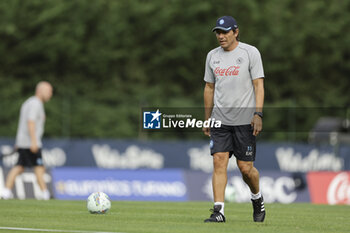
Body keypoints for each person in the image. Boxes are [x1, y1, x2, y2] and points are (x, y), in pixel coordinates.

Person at [202, 16, 265, 222]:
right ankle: (219, 211)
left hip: (245, 121)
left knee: (245, 169)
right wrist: (207, 118)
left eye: (225, 32)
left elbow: (258, 85)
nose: (221, 36)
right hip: (220, 120)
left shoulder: (250, 52)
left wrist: (258, 114)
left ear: (235, 32)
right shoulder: (212, 56)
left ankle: (257, 198)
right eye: (218, 33)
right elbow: (209, 87)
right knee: (219, 162)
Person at [1, 81, 53, 200]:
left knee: (19, 166)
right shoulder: (36, 103)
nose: (51, 94)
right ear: (40, 91)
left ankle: (6, 192)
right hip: (31, 143)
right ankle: (45, 194)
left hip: (23, 142)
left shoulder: (29, 102)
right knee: (39, 167)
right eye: (49, 91)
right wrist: (34, 142)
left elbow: (23, 124)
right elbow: (30, 122)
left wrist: (19, 142)